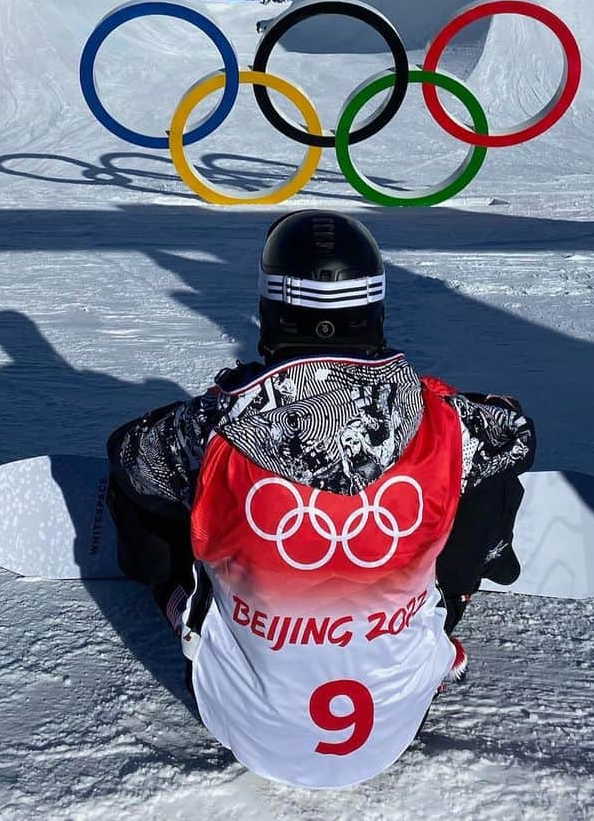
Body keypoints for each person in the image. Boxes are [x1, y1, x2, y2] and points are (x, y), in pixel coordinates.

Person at [105, 212, 535, 788]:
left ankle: (171, 592)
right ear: (375, 312)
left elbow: (126, 452)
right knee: (478, 473)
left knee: (150, 493)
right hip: (391, 727)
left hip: (242, 723)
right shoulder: (447, 422)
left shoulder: (210, 430)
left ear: (269, 315)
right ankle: (452, 594)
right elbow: (518, 434)